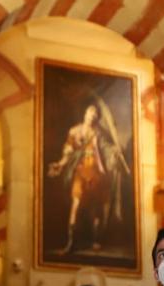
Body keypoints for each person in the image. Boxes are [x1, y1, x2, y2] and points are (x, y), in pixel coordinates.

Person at [48, 103, 129, 254]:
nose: (91, 117)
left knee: (97, 208)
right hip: (81, 171)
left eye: (94, 115)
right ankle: (71, 242)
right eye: (89, 114)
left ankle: (96, 240)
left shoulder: (99, 133)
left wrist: (114, 152)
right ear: (85, 114)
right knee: (76, 205)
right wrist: (60, 164)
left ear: (96, 118)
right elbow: (68, 150)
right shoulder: (75, 131)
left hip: (97, 172)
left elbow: (106, 149)